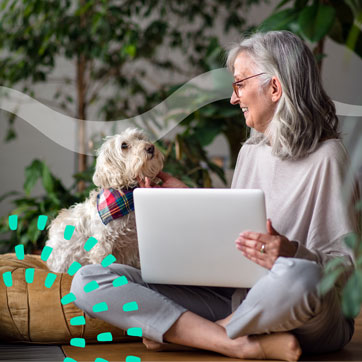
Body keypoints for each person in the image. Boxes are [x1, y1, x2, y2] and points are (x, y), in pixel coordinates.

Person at [70, 31, 359, 361]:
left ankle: (192, 336)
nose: (234, 98)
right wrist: (188, 201)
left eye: (239, 84)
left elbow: (348, 270)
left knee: (299, 274)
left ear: (275, 88)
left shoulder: (329, 157)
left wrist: (291, 251)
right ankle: (233, 342)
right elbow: (232, 246)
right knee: (88, 281)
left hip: (304, 308)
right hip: (239, 300)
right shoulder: (251, 152)